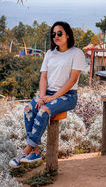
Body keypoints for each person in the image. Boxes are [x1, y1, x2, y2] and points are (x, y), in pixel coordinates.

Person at [9, 21, 86, 168]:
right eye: (53, 34)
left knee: (44, 111)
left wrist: (51, 98)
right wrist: (42, 96)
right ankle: (35, 152)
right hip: (48, 93)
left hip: (67, 96)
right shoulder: (50, 54)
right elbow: (43, 77)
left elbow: (72, 80)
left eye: (59, 33)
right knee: (28, 109)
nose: (55, 36)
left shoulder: (77, 53)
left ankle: (26, 151)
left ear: (68, 35)